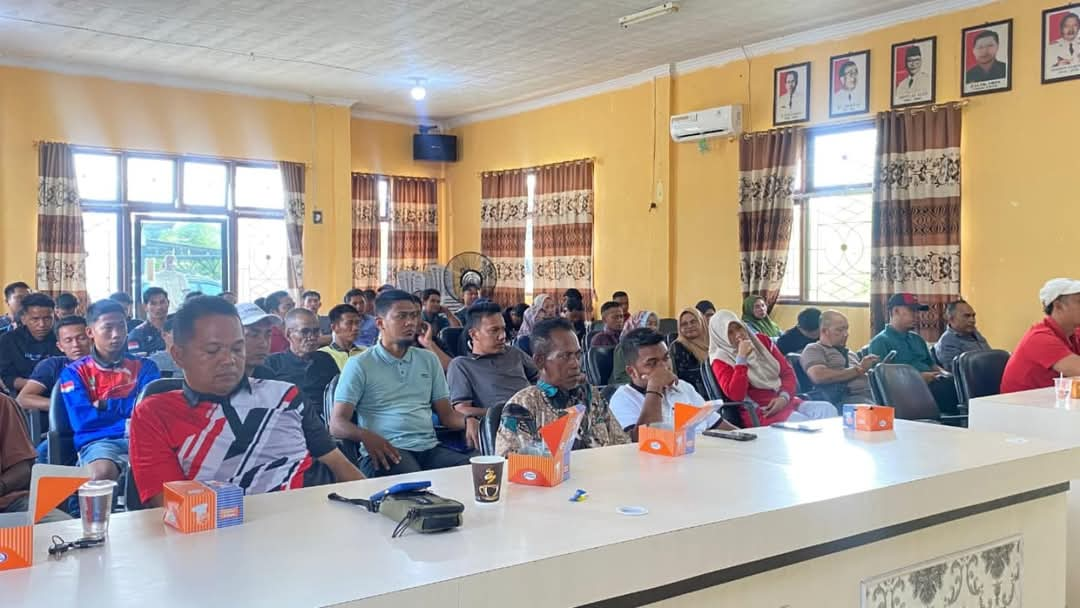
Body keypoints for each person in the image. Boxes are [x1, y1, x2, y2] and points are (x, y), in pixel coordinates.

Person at [129, 297, 364, 507]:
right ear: (178, 355)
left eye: (237, 348)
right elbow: (170, 506)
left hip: (313, 519)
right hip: (221, 536)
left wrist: (372, 504)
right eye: (213, 351)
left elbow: (337, 463)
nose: (229, 360)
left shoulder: (286, 396)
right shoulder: (155, 414)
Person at [331, 290, 471, 477]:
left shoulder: (428, 359)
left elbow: (447, 416)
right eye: (401, 316)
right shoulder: (360, 364)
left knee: (476, 472)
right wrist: (366, 436)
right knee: (418, 486)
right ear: (380, 323)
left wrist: (469, 421)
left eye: (414, 315)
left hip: (429, 449)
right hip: (386, 451)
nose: (411, 322)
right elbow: (337, 424)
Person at [495, 318, 629, 456]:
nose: (575, 364)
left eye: (577, 355)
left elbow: (622, 445)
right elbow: (509, 465)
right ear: (539, 361)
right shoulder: (522, 406)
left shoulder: (590, 396)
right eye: (565, 356)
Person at [59, 299, 160, 481]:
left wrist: (106, 405)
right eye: (108, 328)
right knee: (102, 472)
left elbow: (152, 410)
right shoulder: (74, 372)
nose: (116, 334)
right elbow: (84, 421)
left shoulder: (146, 367)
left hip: (146, 438)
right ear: (90, 332)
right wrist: (131, 418)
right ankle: (82, 510)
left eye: (121, 327)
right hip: (100, 442)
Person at [709, 310, 837, 427]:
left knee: (827, 410)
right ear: (721, 336)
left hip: (786, 400)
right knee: (801, 423)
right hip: (761, 411)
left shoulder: (761, 342)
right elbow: (737, 395)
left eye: (739, 328)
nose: (738, 335)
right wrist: (741, 359)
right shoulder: (720, 359)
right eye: (730, 332)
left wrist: (784, 397)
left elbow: (787, 372)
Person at [610, 328, 735, 441]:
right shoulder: (622, 399)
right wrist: (655, 387)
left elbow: (719, 425)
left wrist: (749, 438)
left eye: (666, 358)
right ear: (632, 372)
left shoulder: (683, 387)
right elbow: (647, 441)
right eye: (652, 363)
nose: (664, 367)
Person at [448, 303, 538, 437]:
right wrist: (502, 412)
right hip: (503, 428)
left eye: (503, 329)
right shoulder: (462, 365)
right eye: (494, 330)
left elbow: (540, 376)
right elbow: (462, 409)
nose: (502, 336)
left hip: (538, 416)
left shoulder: (513, 353)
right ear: (474, 334)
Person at [868, 293, 959, 414]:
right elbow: (883, 381)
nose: (917, 315)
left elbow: (932, 365)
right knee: (948, 391)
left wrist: (947, 375)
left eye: (917, 311)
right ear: (895, 311)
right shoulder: (880, 342)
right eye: (912, 311)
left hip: (933, 383)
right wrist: (919, 378)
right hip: (909, 392)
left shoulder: (917, 339)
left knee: (959, 384)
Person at [1001, 278, 1080, 393]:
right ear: (1058, 306)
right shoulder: (1040, 338)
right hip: (1021, 408)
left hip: (1051, 405)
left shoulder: (1073, 333)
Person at [0, 394, 70, 522]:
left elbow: (22, 470)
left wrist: (2, 485)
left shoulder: (2, 403)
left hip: (7, 504)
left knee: (67, 529)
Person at [16, 315, 91, 413]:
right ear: (60, 346)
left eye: (81, 338)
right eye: (68, 340)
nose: (75, 345)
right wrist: (66, 405)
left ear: (91, 338)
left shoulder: (106, 365)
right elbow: (23, 399)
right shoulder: (52, 365)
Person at [801, 311, 877, 404]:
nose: (846, 334)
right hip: (845, 399)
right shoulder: (814, 349)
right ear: (825, 331)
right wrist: (859, 369)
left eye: (846, 329)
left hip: (871, 396)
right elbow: (818, 376)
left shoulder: (850, 353)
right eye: (839, 330)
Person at [0, 293, 61, 395]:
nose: (42, 324)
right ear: (23, 319)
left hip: (59, 391)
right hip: (21, 393)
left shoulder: (62, 337)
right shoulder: (8, 340)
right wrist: (37, 386)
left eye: (47, 318)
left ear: (54, 316)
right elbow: (7, 377)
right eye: (35, 319)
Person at [264, 308, 323, 388]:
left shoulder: (326, 360)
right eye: (305, 331)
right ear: (288, 334)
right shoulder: (272, 364)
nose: (312, 337)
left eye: (316, 331)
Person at [934, 300, 991, 372]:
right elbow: (958, 372)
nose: (972, 320)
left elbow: (990, 356)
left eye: (973, 316)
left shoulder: (976, 334)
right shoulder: (947, 342)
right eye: (966, 316)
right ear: (951, 319)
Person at [610, 311, 660, 386]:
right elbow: (620, 376)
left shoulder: (659, 347)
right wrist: (644, 381)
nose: (653, 328)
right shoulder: (623, 347)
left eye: (655, 324)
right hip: (626, 387)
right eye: (649, 324)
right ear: (637, 324)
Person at [670, 307, 710, 397]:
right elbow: (686, 377)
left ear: (701, 322)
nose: (689, 326)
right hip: (693, 397)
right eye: (684, 324)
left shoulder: (712, 343)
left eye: (693, 322)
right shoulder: (678, 347)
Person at [237, 302, 280, 379]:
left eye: (268, 335)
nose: (264, 344)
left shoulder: (267, 376)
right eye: (254, 335)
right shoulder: (217, 382)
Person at [318, 304, 364, 370]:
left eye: (357, 323)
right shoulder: (321, 355)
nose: (355, 328)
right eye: (349, 323)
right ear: (334, 327)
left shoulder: (366, 352)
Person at [126, 287, 170, 357]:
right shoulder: (136, 335)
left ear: (168, 303)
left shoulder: (178, 329)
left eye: (162, 302)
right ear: (145, 307)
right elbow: (138, 364)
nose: (159, 307)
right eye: (153, 303)